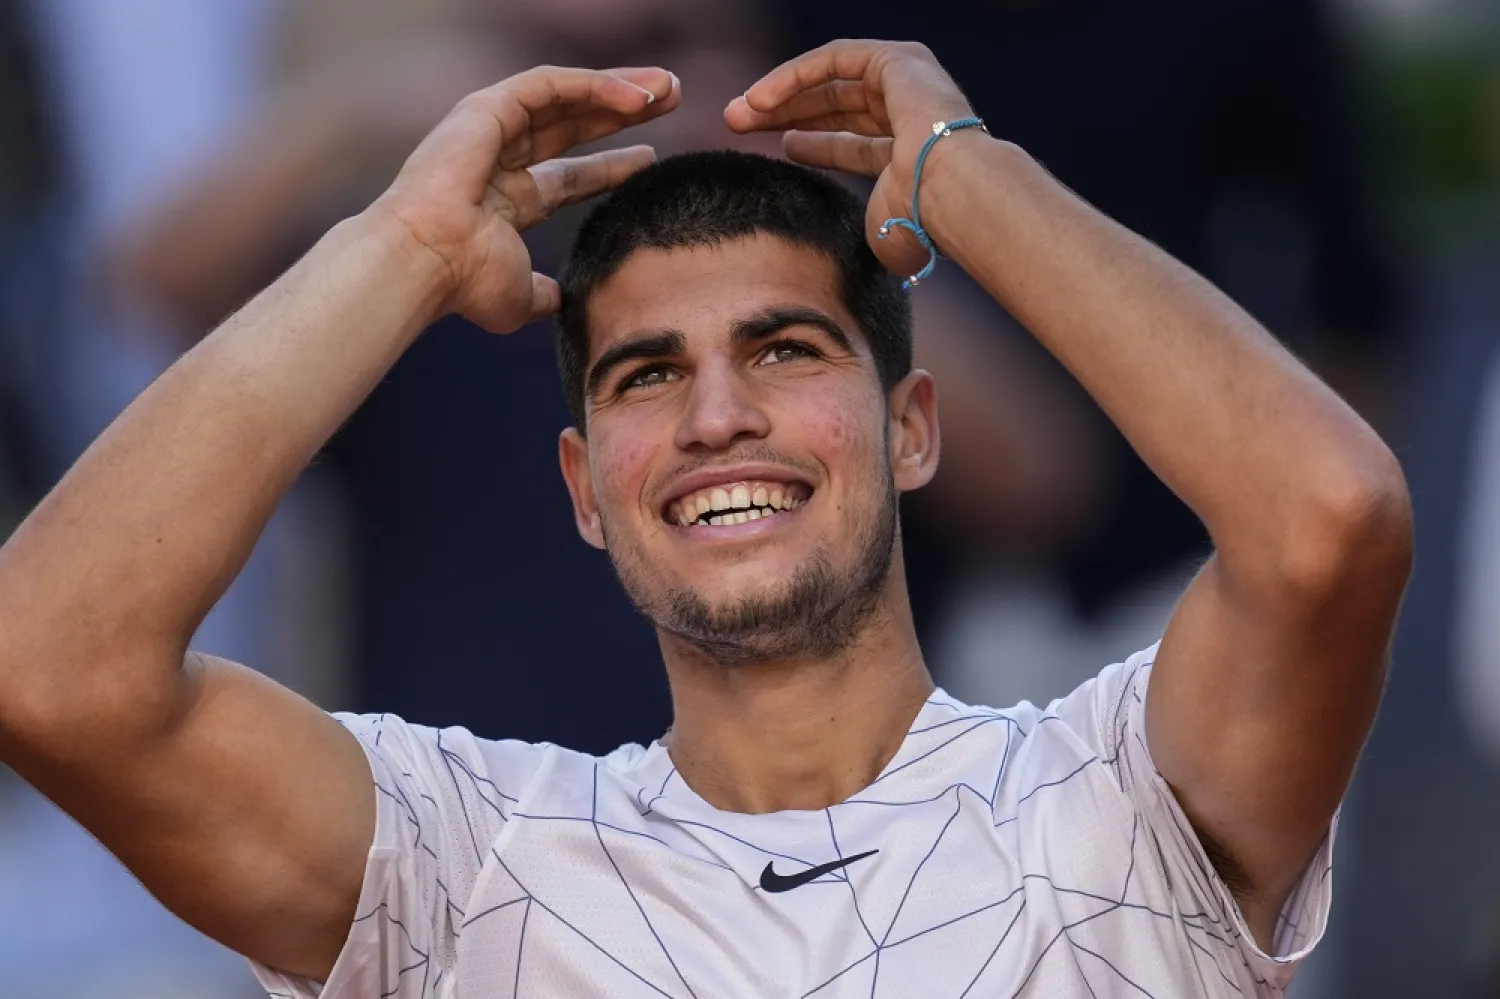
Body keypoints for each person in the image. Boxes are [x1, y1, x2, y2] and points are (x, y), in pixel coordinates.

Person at [0, 40, 1412, 998]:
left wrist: (963, 175)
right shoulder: (467, 860)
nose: (715, 414)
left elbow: (1327, 523)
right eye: (647, 374)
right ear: (586, 490)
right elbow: (50, 666)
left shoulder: (1119, 794)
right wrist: (404, 249)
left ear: (913, 427)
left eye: (786, 349)